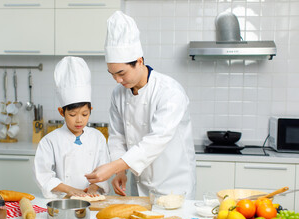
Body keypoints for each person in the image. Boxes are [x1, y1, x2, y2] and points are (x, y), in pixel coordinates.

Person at [85, 11, 196, 199]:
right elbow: (117, 136)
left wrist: (113, 167)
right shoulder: (118, 94)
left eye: (121, 73)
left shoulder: (169, 92)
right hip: (140, 184)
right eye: (112, 74)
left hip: (174, 185)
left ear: (139, 61)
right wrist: (120, 172)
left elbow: (156, 140)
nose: (117, 80)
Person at [34, 56, 110, 198]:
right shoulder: (50, 140)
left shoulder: (97, 137)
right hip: (62, 200)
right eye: (73, 114)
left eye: (85, 114)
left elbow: (103, 170)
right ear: (62, 112)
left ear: (91, 110)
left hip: (92, 199)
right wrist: (70, 190)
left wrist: (93, 188)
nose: (79, 120)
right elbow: (43, 176)